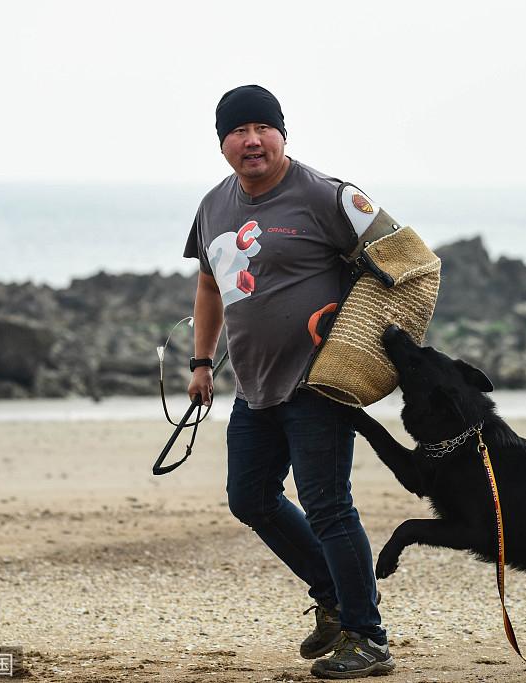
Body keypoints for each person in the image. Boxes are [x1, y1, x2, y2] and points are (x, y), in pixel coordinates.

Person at [182, 84, 394, 679]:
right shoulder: (214, 206)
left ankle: (368, 637)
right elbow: (208, 283)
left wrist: (370, 343)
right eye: (237, 131)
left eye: (262, 128)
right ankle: (336, 596)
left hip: (318, 383)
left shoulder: (329, 196)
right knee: (250, 498)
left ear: (282, 133)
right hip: (253, 384)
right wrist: (202, 363)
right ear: (221, 143)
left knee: (328, 506)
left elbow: (407, 263)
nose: (251, 141)